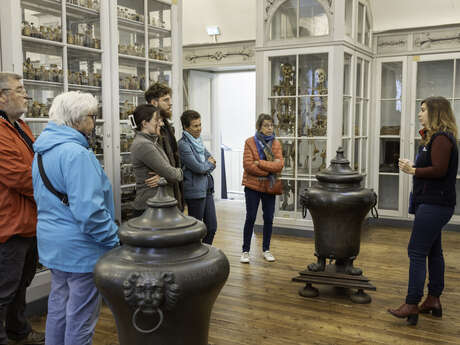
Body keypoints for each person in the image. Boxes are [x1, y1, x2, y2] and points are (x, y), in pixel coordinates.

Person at [31, 91, 119, 344]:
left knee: (58, 307)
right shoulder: (77, 154)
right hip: (81, 248)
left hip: (52, 244)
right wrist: (113, 240)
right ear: (78, 120)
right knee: (81, 318)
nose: (94, 123)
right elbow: (90, 213)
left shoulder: (41, 152)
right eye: (92, 117)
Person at [388, 97, 458, 326]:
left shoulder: (441, 138)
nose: (419, 114)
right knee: (433, 251)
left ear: (436, 113)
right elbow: (435, 166)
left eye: (423, 110)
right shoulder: (437, 138)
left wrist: (413, 169)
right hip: (436, 203)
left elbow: (438, 170)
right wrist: (415, 166)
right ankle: (433, 300)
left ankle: (411, 303)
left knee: (416, 251)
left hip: (435, 204)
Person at [0, 72, 45, 345]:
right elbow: (18, 176)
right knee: (5, 287)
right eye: (19, 89)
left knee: (21, 283)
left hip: (29, 220)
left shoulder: (19, 125)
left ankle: (19, 331)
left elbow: (36, 164)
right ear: (2, 97)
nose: (25, 94)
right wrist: (52, 189)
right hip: (10, 222)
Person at [240, 114, 284, 264]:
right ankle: (245, 251)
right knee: (251, 217)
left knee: (269, 218)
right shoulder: (250, 142)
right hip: (252, 186)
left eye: (271, 125)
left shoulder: (276, 144)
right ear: (259, 127)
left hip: (269, 186)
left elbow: (279, 165)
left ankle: (266, 249)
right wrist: (269, 170)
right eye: (266, 125)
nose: (270, 128)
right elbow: (248, 166)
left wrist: (260, 163)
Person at [130, 104, 183, 216]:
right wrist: (177, 173)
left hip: (156, 206)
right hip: (150, 208)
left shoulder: (151, 142)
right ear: (144, 123)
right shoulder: (144, 145)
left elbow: (168, 173)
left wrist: (163, 177)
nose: (161, 123)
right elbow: (173, 174)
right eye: (156, 120)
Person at [178, 110, 217, 245]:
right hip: (194, 192)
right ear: (186, 127)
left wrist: (207, 165)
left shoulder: (198, 141)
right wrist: (208, 165)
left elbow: (212, 160)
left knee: (211, 227)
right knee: (196, 231)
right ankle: (194, 258)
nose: (199, 129)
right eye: (195, 126)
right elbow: (199, 168)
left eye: (200, 125)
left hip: (207, 189)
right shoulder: (183, 145)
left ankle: (204, 254)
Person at [145, 82, 184, 211]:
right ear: (154, 103)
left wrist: (169, 176)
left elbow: (174, 158)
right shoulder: (147, 131)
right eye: (165, 100)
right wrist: (165, 177)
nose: (170, 103)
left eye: (170, 99)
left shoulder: (167, 127)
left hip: (173, 186)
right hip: (157, 194)